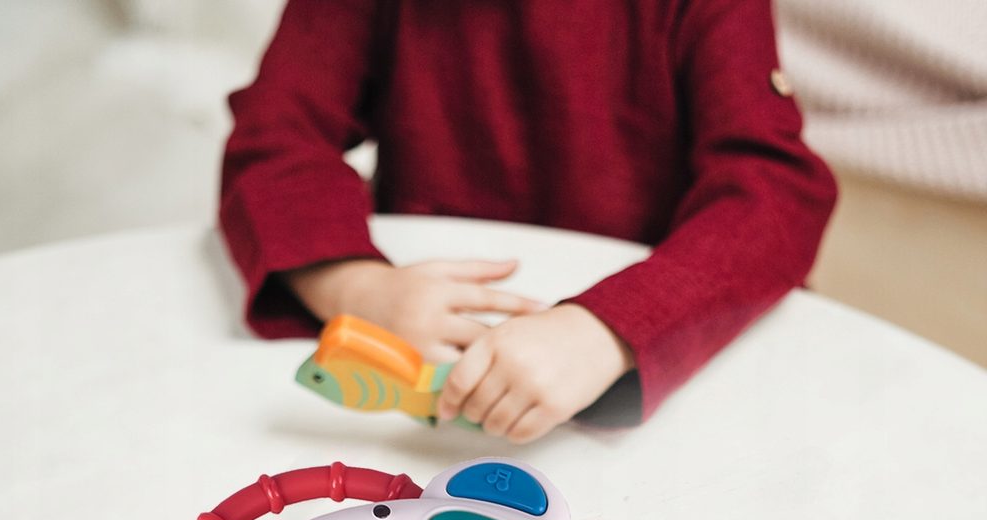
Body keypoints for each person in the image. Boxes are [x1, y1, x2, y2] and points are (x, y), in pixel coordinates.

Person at [220, 0, 837, 442]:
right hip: (423, 383)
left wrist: (610, 331)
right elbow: (275, 137)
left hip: (646, 384)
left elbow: (775, 194)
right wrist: (356, 288)